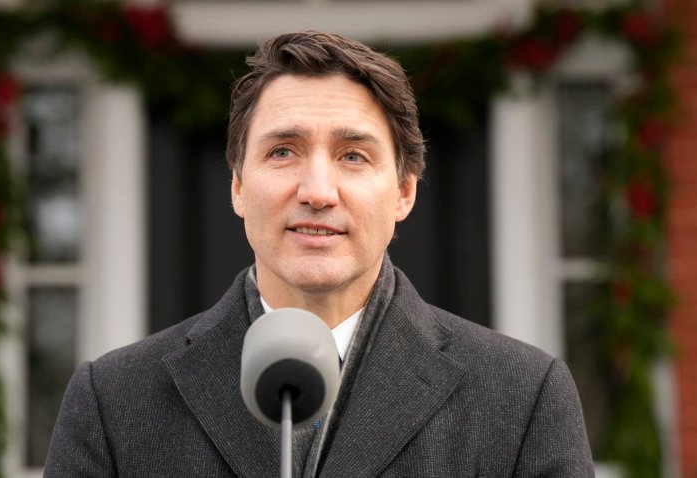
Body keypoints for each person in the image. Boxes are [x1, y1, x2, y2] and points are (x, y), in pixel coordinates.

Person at [45, 31, 594, 477]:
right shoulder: (112, 403)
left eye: (353, 156)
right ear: (237, 186)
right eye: (283, 151)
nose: (317, 190)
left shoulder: (522, 399)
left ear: (405, 191)